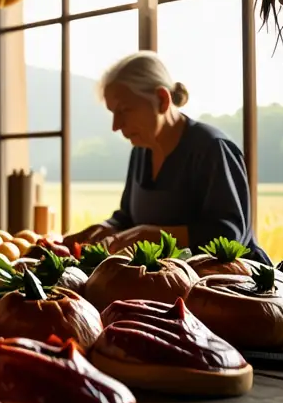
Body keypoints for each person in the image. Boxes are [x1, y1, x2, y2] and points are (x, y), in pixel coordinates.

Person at [64, 51, 269, 263]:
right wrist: (105, 228)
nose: (115, 126)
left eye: (124, 110)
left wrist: (152, 235)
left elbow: (230, 234)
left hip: (232, 286)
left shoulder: (211, 148)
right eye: (113, 113)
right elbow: (128, 217)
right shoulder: (141, 151)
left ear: (162, 99)